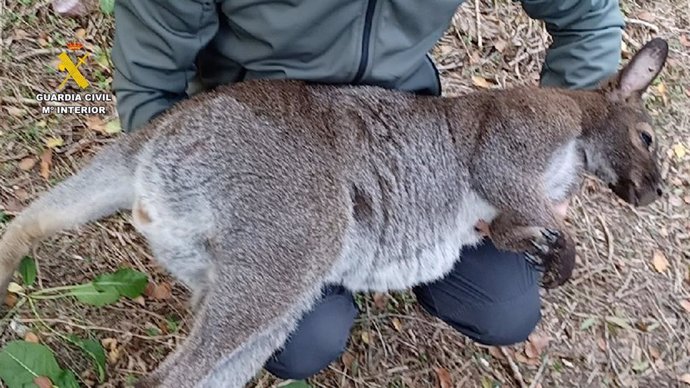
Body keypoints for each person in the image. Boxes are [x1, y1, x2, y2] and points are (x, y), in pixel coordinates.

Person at [111, 0, 624, 380]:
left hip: (408, 142)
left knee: (504, 306)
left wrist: (551, 176)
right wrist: (199, 196)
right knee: (302, 340)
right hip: (269, 141)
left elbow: (588, 17)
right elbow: (149, 82)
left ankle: (386, 259)